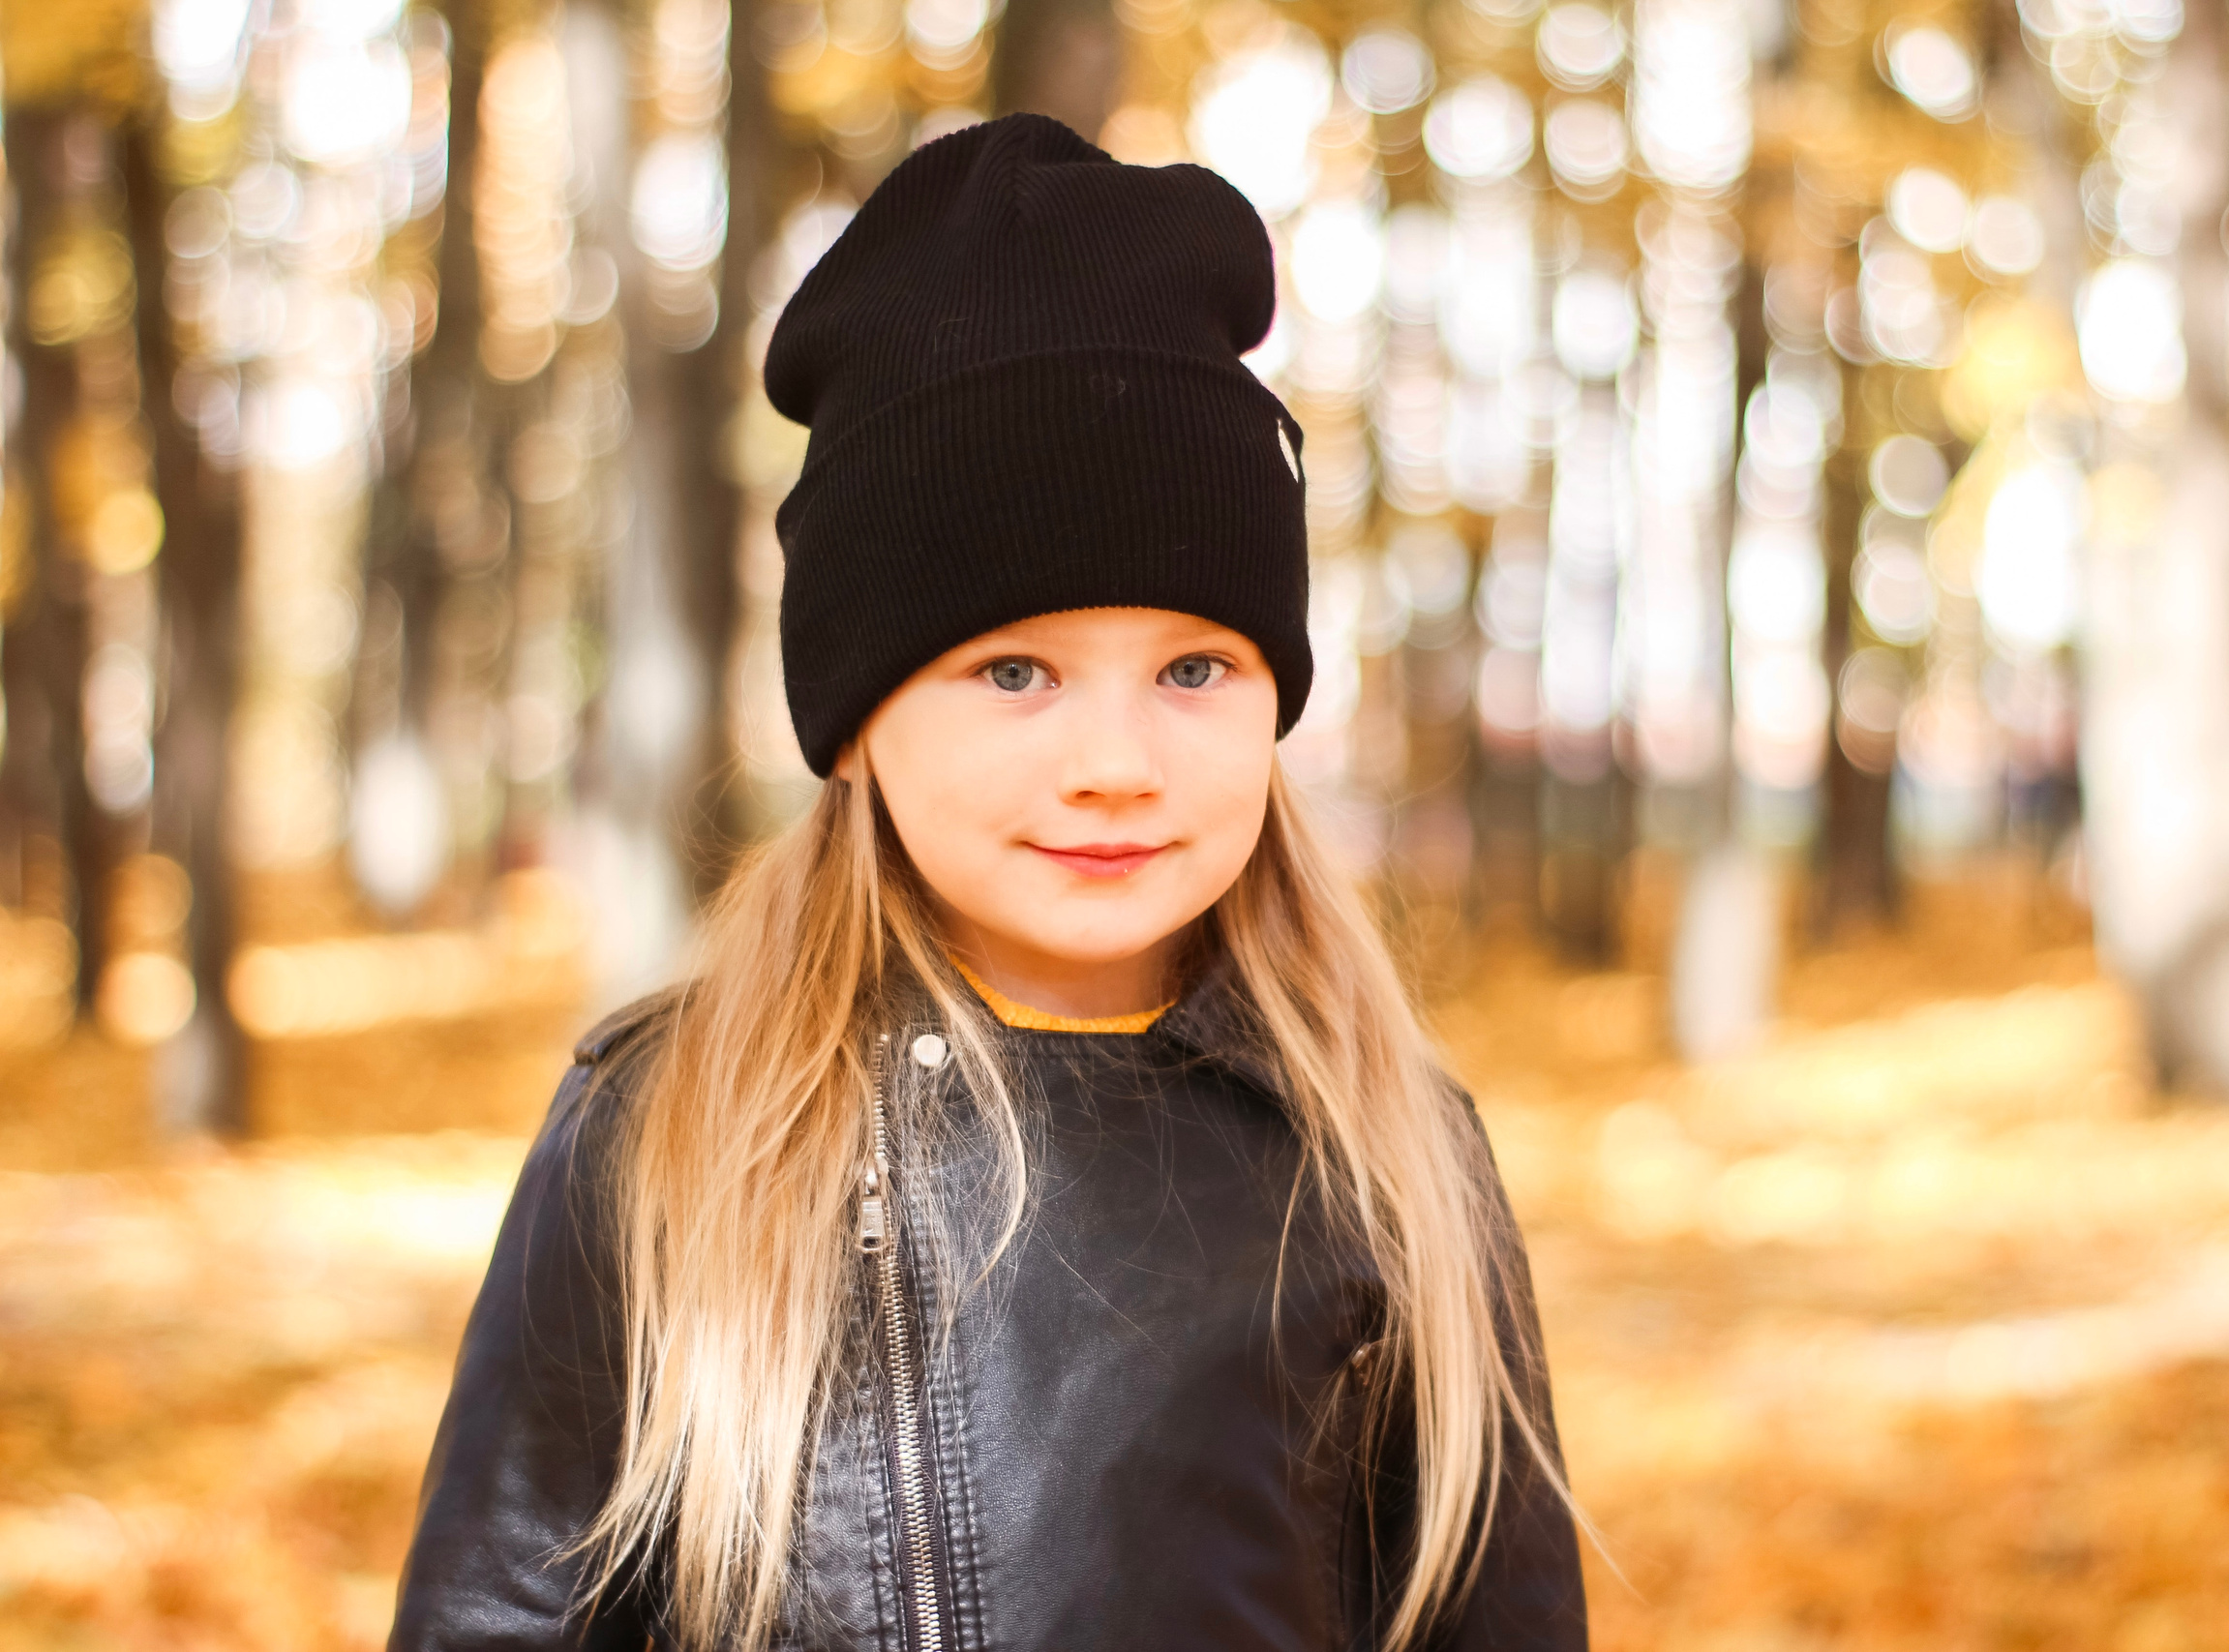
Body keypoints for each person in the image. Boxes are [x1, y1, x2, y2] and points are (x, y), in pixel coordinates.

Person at [388, 112, 1587, 1652]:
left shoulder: (1381, 1147)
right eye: (1014, 670)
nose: (1115, 760)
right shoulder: (672, 1128)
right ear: (857, 719)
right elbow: (498, 1614)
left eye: (1195, 668)